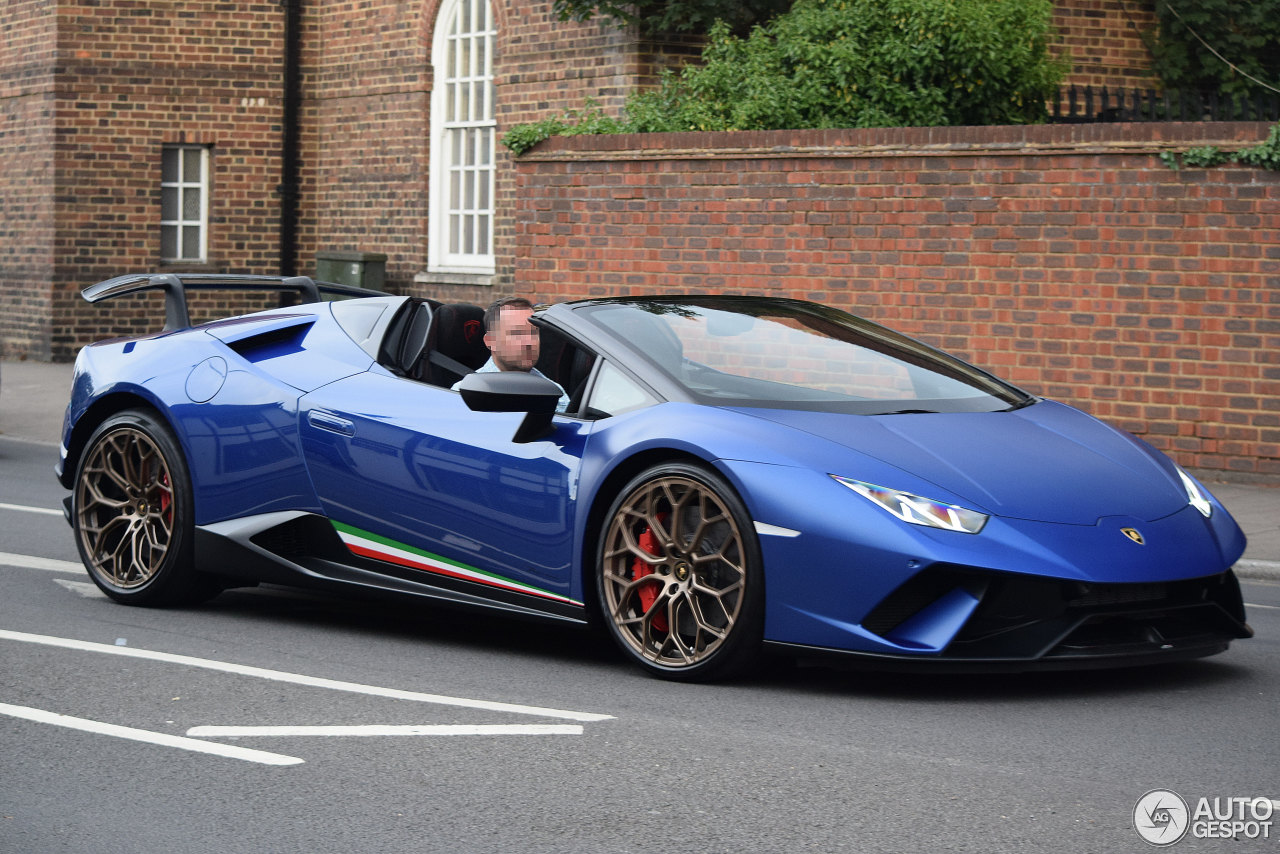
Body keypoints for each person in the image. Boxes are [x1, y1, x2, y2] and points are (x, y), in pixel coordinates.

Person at [456, 296, 569, 412]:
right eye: (517, 333)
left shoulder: (556, 395)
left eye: (533, 333)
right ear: (490, 341)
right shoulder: (462, 395)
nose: (528, 342)